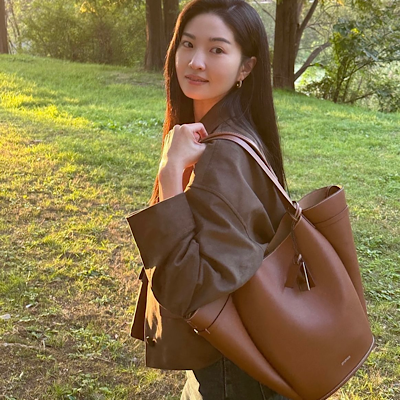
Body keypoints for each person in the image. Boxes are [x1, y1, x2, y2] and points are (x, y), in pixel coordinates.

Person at [126, 0, 289, 398]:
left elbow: (190, 290)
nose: (195, 62)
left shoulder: (223, 154)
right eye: (187, 44)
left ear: (245, 67)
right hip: (233, 353)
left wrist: (170, 173)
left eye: (216, 49)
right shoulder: (222, 132)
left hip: (233, 370)